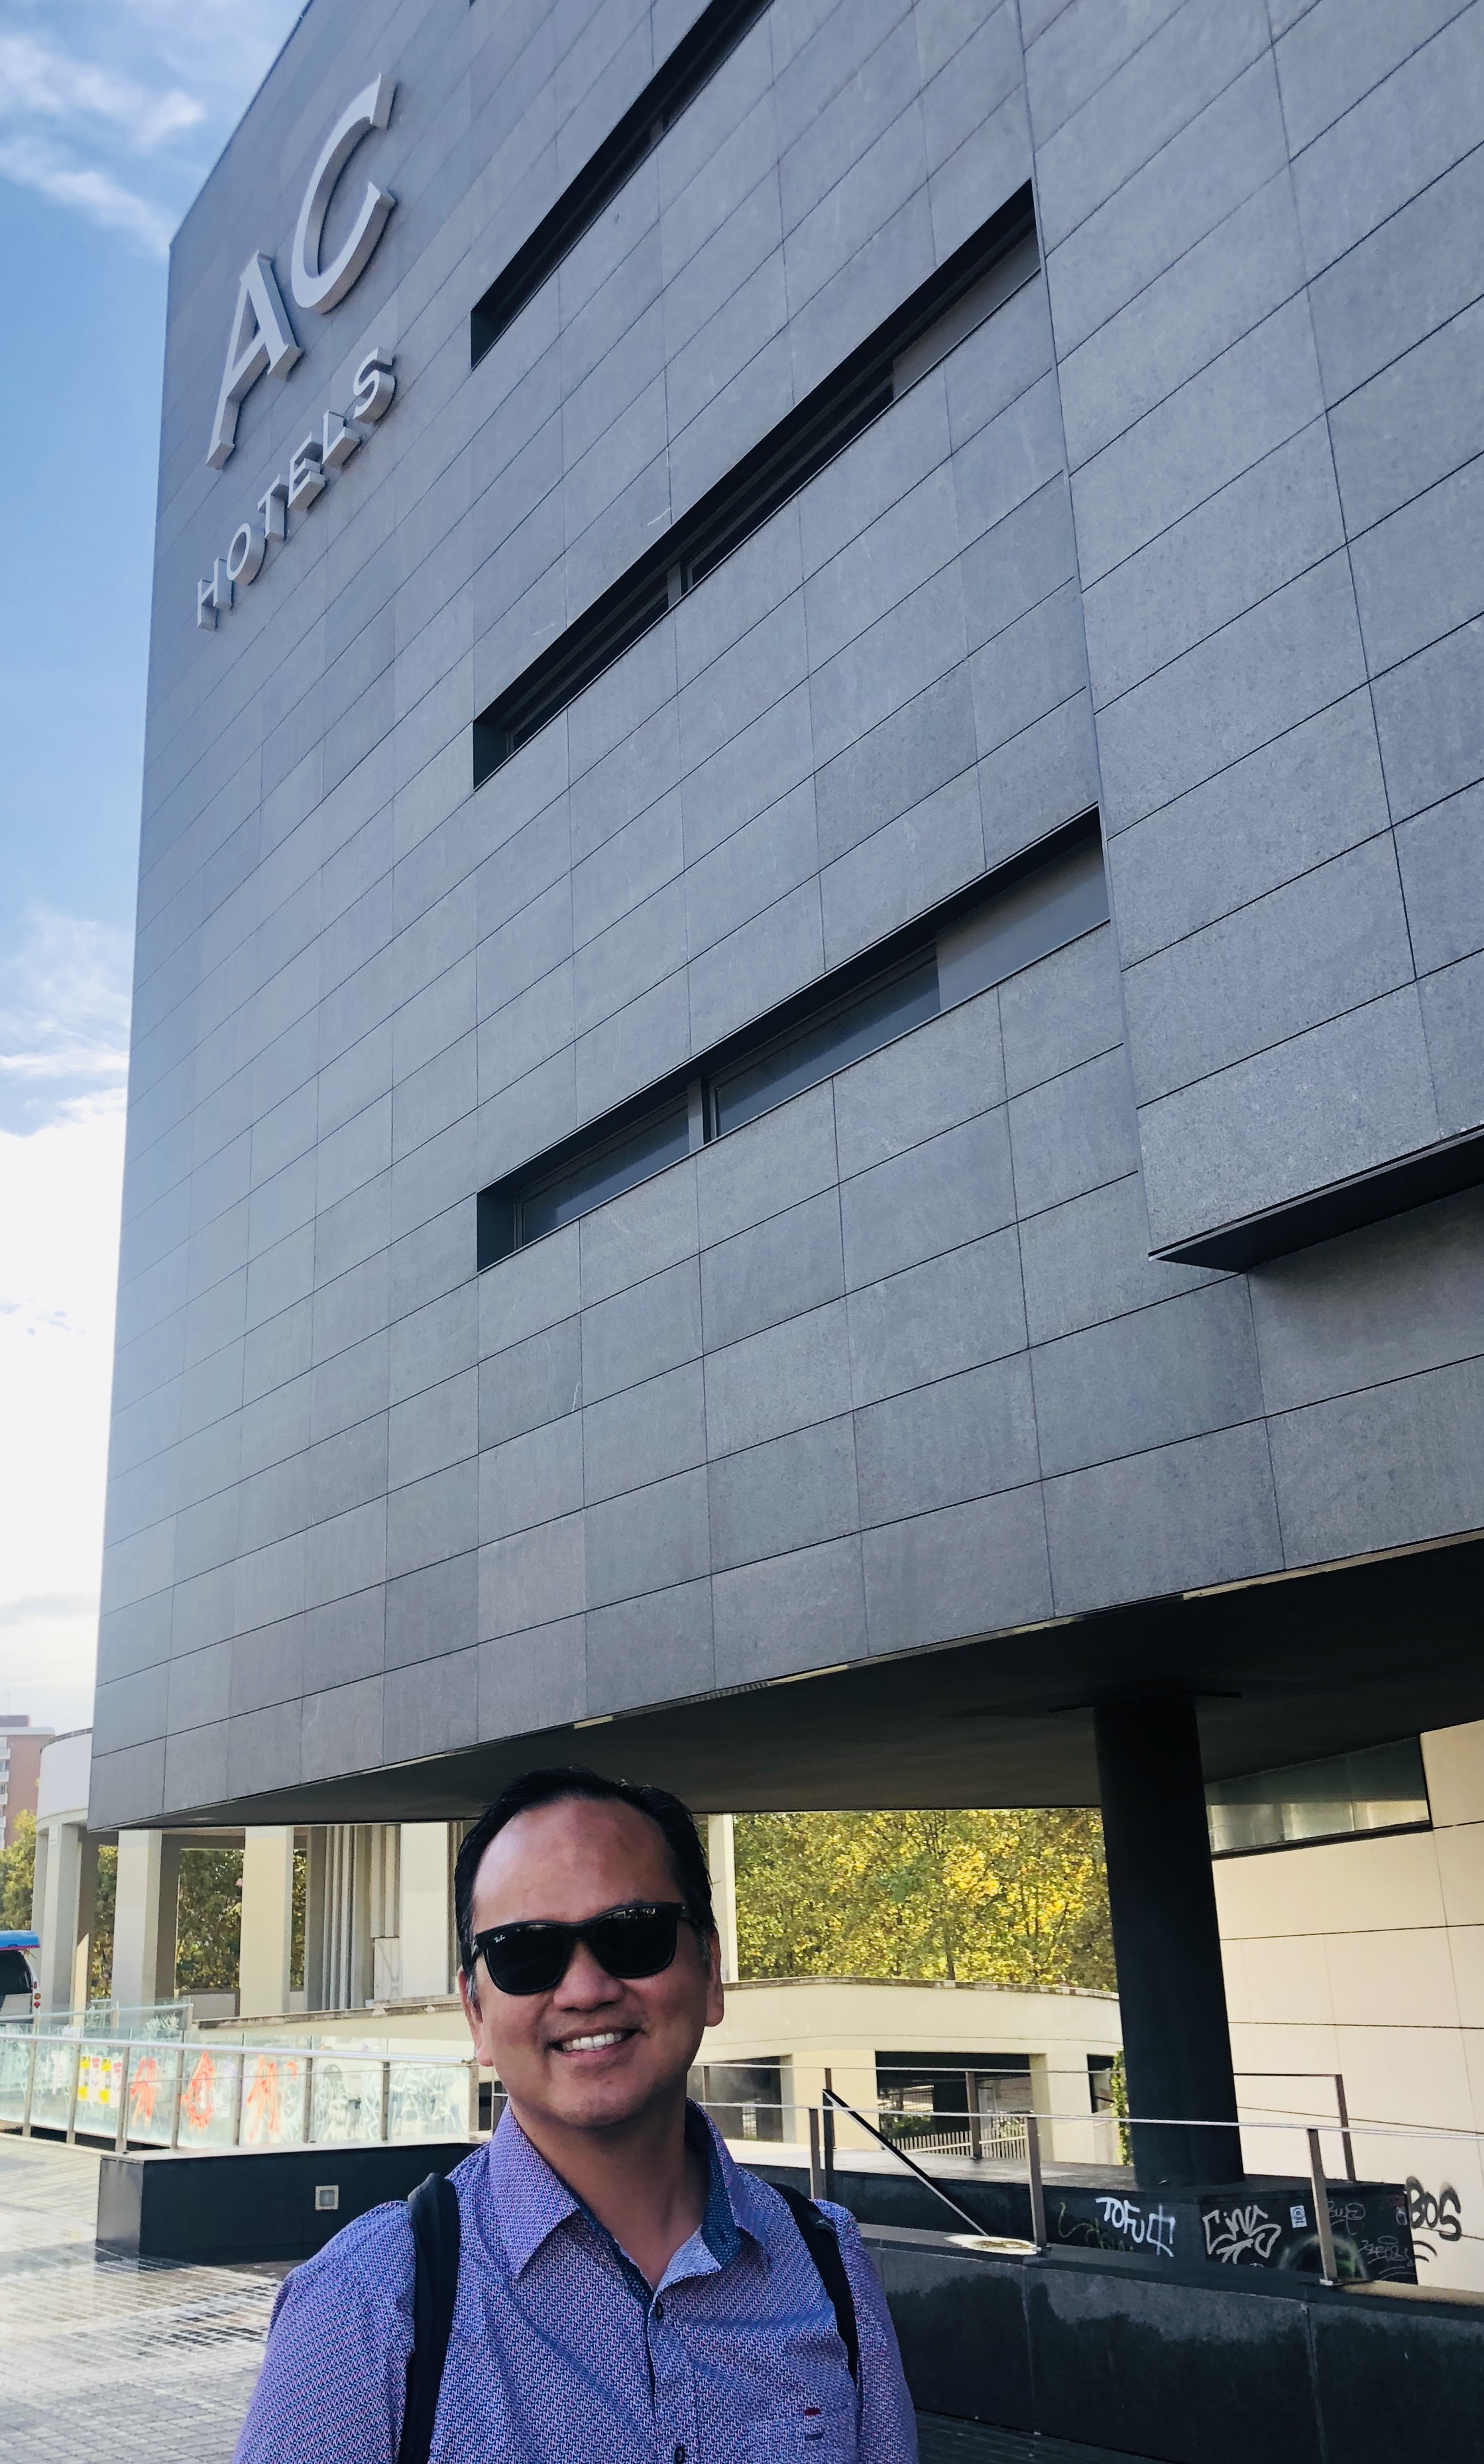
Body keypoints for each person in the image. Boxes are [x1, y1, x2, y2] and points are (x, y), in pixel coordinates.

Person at [235, 1766, 919, 2462]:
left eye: (633, 1934)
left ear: (710, 1971)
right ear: (475, 2011)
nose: (585, 1989)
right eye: (525, 1952)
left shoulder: (829, 2265)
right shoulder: (361, 2307)